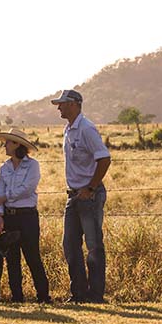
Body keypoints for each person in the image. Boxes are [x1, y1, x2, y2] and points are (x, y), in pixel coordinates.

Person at [51, 90, 111, 303]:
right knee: (70, 245)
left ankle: (95, 295)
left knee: (93, 246)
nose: (59, 107)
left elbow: (104, 159)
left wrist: (91, 189)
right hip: (75, 194)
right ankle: (79, 293)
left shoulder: (86, 129)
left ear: (75, 104)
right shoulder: (69, 129)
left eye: (63, 104)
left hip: (88, 195)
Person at [0, 128, 51, 303]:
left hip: (27, 217)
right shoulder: (5, 167)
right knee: (12, 259)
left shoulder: (33, 166)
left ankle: (43, 296)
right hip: (10, 216)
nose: (5, 146)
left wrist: (4, 198)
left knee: (33, 256)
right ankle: (17, 297)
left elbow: (27, 189)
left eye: (8, 142)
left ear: (17, 144)